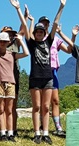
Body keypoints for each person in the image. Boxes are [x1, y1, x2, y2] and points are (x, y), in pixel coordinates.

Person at [15, 0, 67, 145]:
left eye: (41, 32)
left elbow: (55, 23)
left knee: (46, 106)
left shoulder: (49, 41)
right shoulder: (31, 44)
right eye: (37, 31)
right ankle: (37, 133)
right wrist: (18, 10)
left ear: (44, 34)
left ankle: (46, 133)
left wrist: (61, 7)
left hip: (48, 77)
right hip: (35, 78)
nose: (38, 33)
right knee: (36, 106)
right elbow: (25, 26)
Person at [25, 8, 74, 136]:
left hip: (51, 72)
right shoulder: (35, 41)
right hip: (37, 73)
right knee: (39, 103)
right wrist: (29, 19)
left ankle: (57, 127)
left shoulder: (53, 38)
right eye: (42, 23)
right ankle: (40, 127)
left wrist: (62, 7)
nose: (45, 25)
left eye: (47, 23)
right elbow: (27, 33)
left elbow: (69, 50)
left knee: (54, 100)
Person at [0, 31, 29, 142]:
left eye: (5, 42)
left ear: (8, 42)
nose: (3, 44)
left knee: (9, 110)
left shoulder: (12, 54)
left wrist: (20, 40)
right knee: (0, 109)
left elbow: (26, 53)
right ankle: (2, 133)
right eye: (1, 42)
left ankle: (10, 133)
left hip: (10, 83)